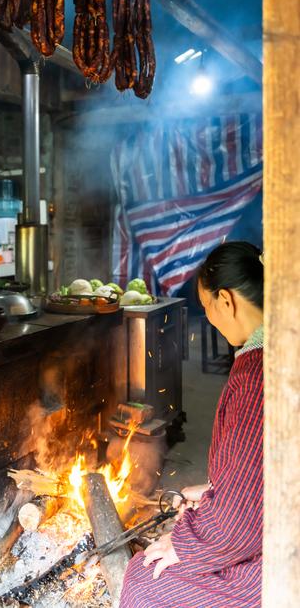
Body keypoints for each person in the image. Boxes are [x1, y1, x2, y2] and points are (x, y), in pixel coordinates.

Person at [120, 241, 263, 608]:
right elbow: (262, 462)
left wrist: (185, 545)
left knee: (143, 579)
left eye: (206, 307)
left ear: (226, 301)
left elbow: (239, 525)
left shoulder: (258, 376)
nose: (209, 318)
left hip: (283, 557)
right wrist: (219, 485)